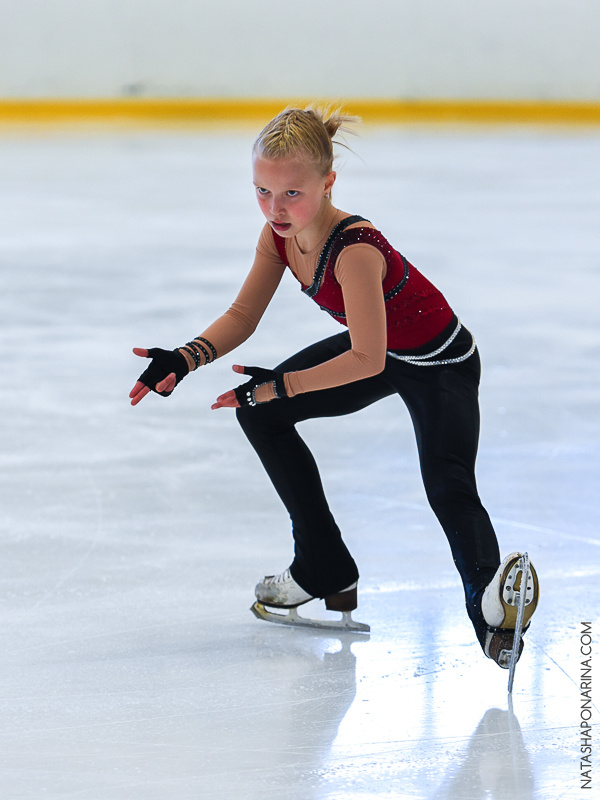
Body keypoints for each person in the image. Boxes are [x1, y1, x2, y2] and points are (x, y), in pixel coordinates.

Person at [129, 105, 539, 670]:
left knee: (448, 485)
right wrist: (185, 357)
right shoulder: (280, 237)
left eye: (291, 194)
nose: (276, 208)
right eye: (262, 192)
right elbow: (244, 315)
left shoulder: (355, 249)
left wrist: (280, 386)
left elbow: (366, 358)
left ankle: (491, 618)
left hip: (440, 363)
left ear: (327, 185)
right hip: (382, 352)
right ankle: (323, 564)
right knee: (260, 414)